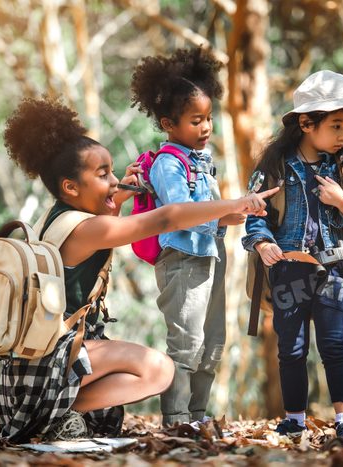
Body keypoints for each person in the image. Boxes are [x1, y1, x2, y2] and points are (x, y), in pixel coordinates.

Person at [0, 97, 277, 443]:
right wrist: (235, 203)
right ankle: (58, 413)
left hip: (26, 374)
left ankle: (57, 411)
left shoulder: (53, 219)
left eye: (113, 171)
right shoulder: (87, 229)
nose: (115, 180)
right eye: (103, 174)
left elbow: (105, 224)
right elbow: (167, 217)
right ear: (70, 187)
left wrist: (120, 194)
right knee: (160, 369)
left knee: (153, 364)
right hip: (46, 373)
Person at [242, 70, 343, 446]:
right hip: (288, 269)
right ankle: (294, 420)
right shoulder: (273, 169)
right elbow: (254, 220)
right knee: (292, 348)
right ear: (306, 123)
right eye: (335, 125)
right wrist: (262, 244)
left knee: (334, 344)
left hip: (336, 269)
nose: (342, 136)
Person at [130, 47, 242, 427]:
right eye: (196, 120)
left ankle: (198, 414)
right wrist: (228, 205)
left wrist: (243, 210)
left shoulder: (204, 163)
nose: (206, 127)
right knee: (186, 343)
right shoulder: (168, 163)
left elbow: (211, 214)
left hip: (210, 256)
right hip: (181, 260)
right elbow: (180, 213)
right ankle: (176, 418)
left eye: (209, 118)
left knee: (212, 344)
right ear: (168, 124)